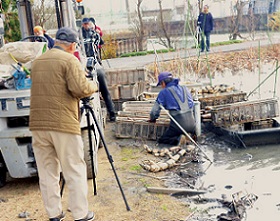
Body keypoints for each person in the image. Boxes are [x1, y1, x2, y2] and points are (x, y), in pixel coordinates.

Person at [29, 27, 97, 221]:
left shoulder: (37, 61)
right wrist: (93, 84)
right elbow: (80, 89)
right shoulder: (70, 60)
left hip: (38, 124)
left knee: (47, 171)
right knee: (74, 169)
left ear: (57, 41)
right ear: (73, 45)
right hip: (63, 124)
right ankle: (80, 214)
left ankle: (54, 214)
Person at [81, 17, 116, 122]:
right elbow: (100, 42)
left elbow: (100, 42)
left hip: (92, 64)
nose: (86, 26)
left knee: (103, 88)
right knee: (99, 90)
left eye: (88, 24)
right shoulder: (85, 35)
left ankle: (112, 112)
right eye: (85, 24)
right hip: (87, 65)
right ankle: (109, 113)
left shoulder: (91, 34)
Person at [149, 72, 196, 146]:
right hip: (192, 124)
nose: (161, 86)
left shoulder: (164, 92)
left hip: (178, 125)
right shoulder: (185, 88)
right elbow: (192, 105)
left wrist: (153, 119)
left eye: (161, 84)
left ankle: (178, 139)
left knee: (163, 140)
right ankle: (189, 135)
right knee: (185, 129)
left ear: (163, 83)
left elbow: (154, 112)